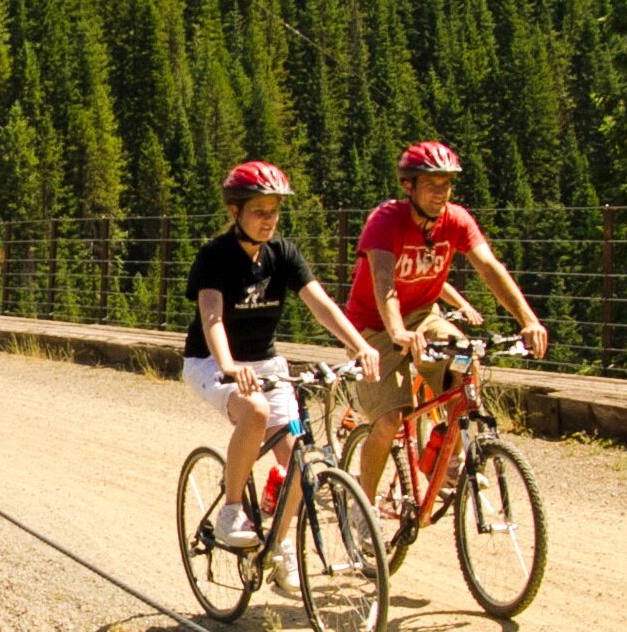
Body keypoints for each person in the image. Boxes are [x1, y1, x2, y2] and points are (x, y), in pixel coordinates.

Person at [340, 139, 547, 503]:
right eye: (432, 185)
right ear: (409, 185)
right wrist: (396, 331)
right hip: (371, 326)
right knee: (390, 421)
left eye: (447, 184)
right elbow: (384, 283)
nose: (441, 193)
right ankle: (364, 507)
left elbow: (490, 268)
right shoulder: (386, 221)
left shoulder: (456, 219)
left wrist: (528, 319)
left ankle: (449, 457)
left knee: (465, 358)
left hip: (423, 316)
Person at [184, 161, 372, 548]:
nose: (269, 220)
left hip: (266, 362)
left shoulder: (283, 253)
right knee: (255, 411)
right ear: (235, 211)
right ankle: (231, 510)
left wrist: (360, 345)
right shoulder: (215, 256)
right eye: (259, 212)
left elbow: (322, 305)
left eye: (274, 211)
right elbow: (212, 316)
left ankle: (280, 548)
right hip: (211, 361)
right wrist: (229, 366)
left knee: (299, 466)